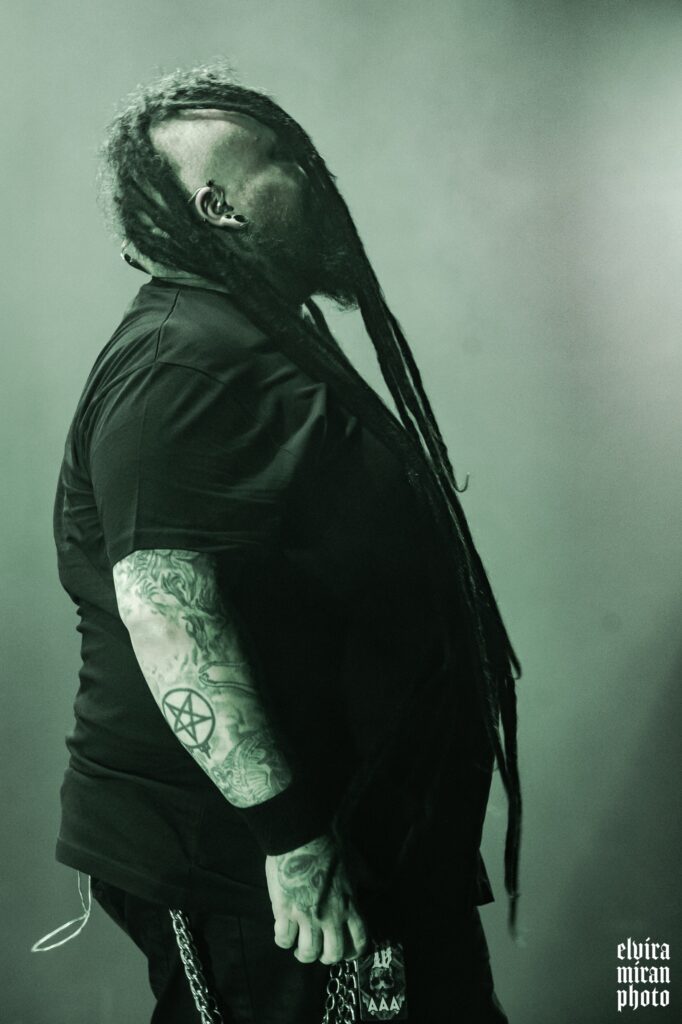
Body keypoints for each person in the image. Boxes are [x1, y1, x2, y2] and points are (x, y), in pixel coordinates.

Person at [52, 63, 521, 1023]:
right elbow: (165, 610)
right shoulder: (181, 362)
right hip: (264, 875)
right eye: (284, 159)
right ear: (219, 206)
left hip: (370, 840)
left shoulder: (250, 338)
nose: (313, 175)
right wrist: (295, 842)